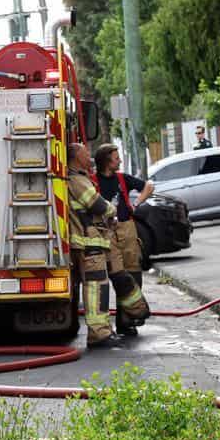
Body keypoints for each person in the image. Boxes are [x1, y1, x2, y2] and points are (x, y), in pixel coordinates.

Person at [93, 144, 151, 336]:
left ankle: (127, 321)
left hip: (127, 228)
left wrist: (136, 203)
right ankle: (126, 317)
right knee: (119, 276)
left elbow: (148, 187)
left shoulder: (122, 178)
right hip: (106, 232)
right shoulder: (92, 181)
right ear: (106, 161)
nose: (119, 161)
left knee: (133, 273)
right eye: (116, 158)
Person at [66, 142, 119, 347]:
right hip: (89, 243)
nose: (90, 157)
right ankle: (99, 333)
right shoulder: (77, 180)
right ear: (77, 157)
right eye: (86, 153)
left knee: (98, 286)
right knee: (96, 287)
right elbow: (96, 204)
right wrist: (111, 209)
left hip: (89, 242)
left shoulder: (78, 178)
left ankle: (101, 330)